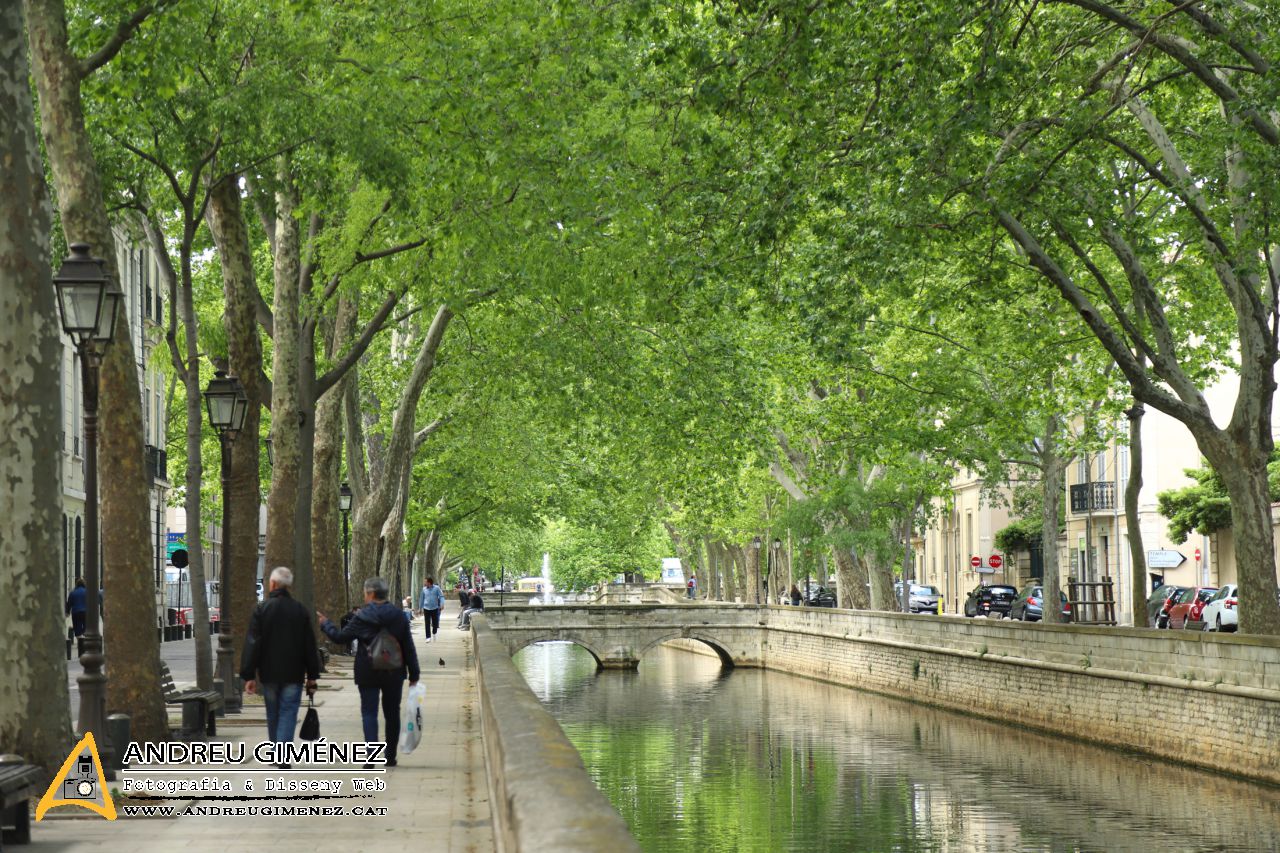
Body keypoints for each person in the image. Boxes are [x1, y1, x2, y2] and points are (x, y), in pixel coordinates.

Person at [319, 577, 419, 768]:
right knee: (392, 713)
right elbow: (408, 646)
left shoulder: (361, 617)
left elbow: (340, 638)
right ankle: (390, 756)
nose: (364, 596)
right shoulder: (398, 616)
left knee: (369, 712)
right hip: (393, 670)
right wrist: (414, 674)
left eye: (365, 593)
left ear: (371, 594)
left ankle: (371, 756)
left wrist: (326, 624)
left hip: (368, 670)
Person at [239, 567, 321, 767]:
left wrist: (249, 675)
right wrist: (312, 674)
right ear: (288, 586)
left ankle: (277, 754)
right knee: (288, 712)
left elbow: (253, 643)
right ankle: (282, 755)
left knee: (273, 712)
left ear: (273, 584)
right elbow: (309, 645)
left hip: (269, 673)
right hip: (293, 672)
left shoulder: (262, 609)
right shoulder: (300, 610)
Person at [419, 576, 444, 643]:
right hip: (426, 608)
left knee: (435, 623)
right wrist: (420, 608)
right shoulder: (424, 589)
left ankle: (434, 632)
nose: (424, 583)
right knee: (427, 623)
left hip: (435, 608)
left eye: (425, 582)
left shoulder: (437, 588)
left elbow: (441, 596)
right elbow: (421, 599)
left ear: (429, 582)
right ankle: (428, 637)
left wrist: (442, 604)